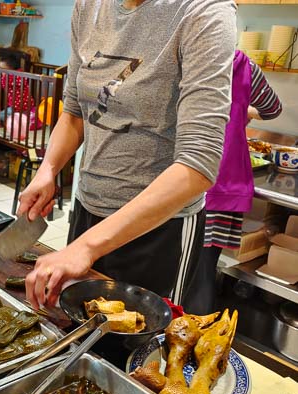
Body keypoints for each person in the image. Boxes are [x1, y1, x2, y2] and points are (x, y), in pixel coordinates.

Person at [17, 0, 236, 311]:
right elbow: (75, 112)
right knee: (81, 333)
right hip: (88, 211)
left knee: (138, 352)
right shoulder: (89, 6)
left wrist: (85, 247)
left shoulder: (203, 11)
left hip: (159, 233)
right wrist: (48, 170)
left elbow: (198, 164)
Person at [183, 51, 282, 314]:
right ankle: (200, 341)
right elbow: (272, 108)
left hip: (179, 180)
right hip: (222, 182)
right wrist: (241, 109)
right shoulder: (244, 64)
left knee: (169, 267)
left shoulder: (184, 56)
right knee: (203, 273)